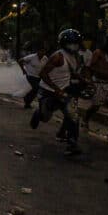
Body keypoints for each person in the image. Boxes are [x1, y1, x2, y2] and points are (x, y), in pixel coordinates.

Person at [33, 29, 85, 157]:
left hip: (65, 91)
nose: (73, 45)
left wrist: (84, 81)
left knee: (73, 115)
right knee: (45, 117)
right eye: (70, 43)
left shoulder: (76, 57)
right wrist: (56, 89)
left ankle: (72, 143)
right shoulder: (57, 56)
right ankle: (39, 113)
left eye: (75, 43)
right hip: (49, 91)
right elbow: (43, 74)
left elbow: (70, 72)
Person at [82, 33, 108, 141]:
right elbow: (90, 67)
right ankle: (85, 120)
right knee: (96, 106)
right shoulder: (98, 52)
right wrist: (90, 81)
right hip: (99, 83)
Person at [18, 43, 47, 109]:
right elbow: (20, 61)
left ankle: (27, 103)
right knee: (36, 88)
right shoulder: (32, 57)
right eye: (41, 51)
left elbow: (46, 67)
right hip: (30, 75)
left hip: (39, 77)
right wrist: (23, 70)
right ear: (38, 51)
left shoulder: (45, 59)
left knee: (36, 90)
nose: (42, 53)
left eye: (44, 51)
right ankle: (26, 99)